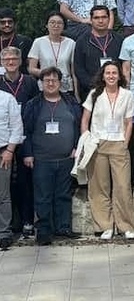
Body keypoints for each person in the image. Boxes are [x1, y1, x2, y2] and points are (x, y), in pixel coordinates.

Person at [22, 67, 82, 245]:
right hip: (41, 159)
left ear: (60, 82)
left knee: (63, 194)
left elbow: (78, 127)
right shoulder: (33, 104)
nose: (50, 83)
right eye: (46, 80)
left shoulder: (70, 102)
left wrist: (76, 147)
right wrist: (28, 154)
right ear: (41, 83)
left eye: (54, 80)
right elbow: (26, 131)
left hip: (66, 158)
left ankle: (63, 227)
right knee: (43, 196)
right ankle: (44, 230)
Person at [81, 61, 134, 240]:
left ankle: (125, 226)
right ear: (103, 76)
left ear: (120, 76)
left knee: (122, 186)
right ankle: (105, 226)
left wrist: (125, 143)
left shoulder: (127, 95)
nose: (111, 76)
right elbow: (85, 120)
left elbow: (129, 122)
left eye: (114, 73)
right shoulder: (94, 94)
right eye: (108, 73)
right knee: (99, 187)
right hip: (98, 144)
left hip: (119, 144)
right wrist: (87, 140)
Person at [0, 47, 38, 238]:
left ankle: (27, 220)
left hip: (26, 136)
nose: (11, 62)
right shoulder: (0, 83)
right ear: (2, 62)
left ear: (20, 60)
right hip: (4, 138)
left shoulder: (30, 82)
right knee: (7, 185)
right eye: (6, 59)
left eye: (14, 58)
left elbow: (36, 106)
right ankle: (12, 222)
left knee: (25, 181)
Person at [73, 5, 124, 101]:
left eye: (104, 17)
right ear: (91, 20)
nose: (100, 21)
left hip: (116, 92)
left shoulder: (119, 39)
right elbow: (79, 68)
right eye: (96, 18)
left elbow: (124, 66)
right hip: (91, 92)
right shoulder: (82, 41)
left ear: (109, 19)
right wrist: (94, 86)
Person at [28, 12, 77, 98]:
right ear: (46, 25)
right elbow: (31, 69)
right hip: (45, 86)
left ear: (64, 26)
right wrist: (48, 74)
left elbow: (74, 71)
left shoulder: (71, 43)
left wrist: (76, 92)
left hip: (66, 87)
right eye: (52, 22)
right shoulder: (38, 42)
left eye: (59, 23)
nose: (56, 25)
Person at [0, 81, 23, 250]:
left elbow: (17, 127)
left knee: (3, 195)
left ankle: (4, 233)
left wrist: (9, 150)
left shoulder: (8, 99)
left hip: (3, 151)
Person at [0, 7, 32, 74]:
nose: (7, 25)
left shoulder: (25, 42)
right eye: (3, 22)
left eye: (10, 22)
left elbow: (30, 65)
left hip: (20, 81)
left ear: (15, 23)